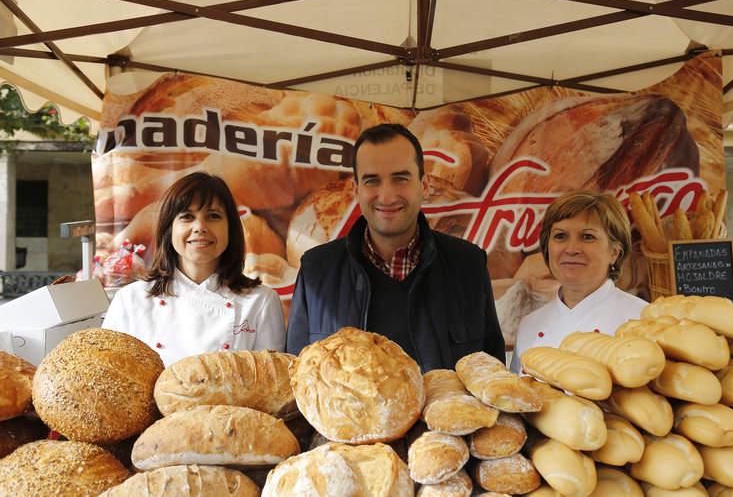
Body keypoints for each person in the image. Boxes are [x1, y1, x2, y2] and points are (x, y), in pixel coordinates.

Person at [287, 123, 505, 372]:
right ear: (356, 190)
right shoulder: (317, 271)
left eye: (400, 179)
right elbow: (298, 382)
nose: (387, 196)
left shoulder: (468, 265)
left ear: (423, 186)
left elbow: (492, 374)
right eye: (372, 181)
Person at [103, 172, 285, 366]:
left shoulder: (260, 302)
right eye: (187, 216)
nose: (199, 226)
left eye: (213, 216)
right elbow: (112, 372)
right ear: (169, 229)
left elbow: (270, 386)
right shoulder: (131, 301)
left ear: (230, 229)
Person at [510, 190, 647, 373]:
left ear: (614, 252)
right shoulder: (530, 325)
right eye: (560, 236)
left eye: (587, 237)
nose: (572, 249)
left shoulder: (643, 320)